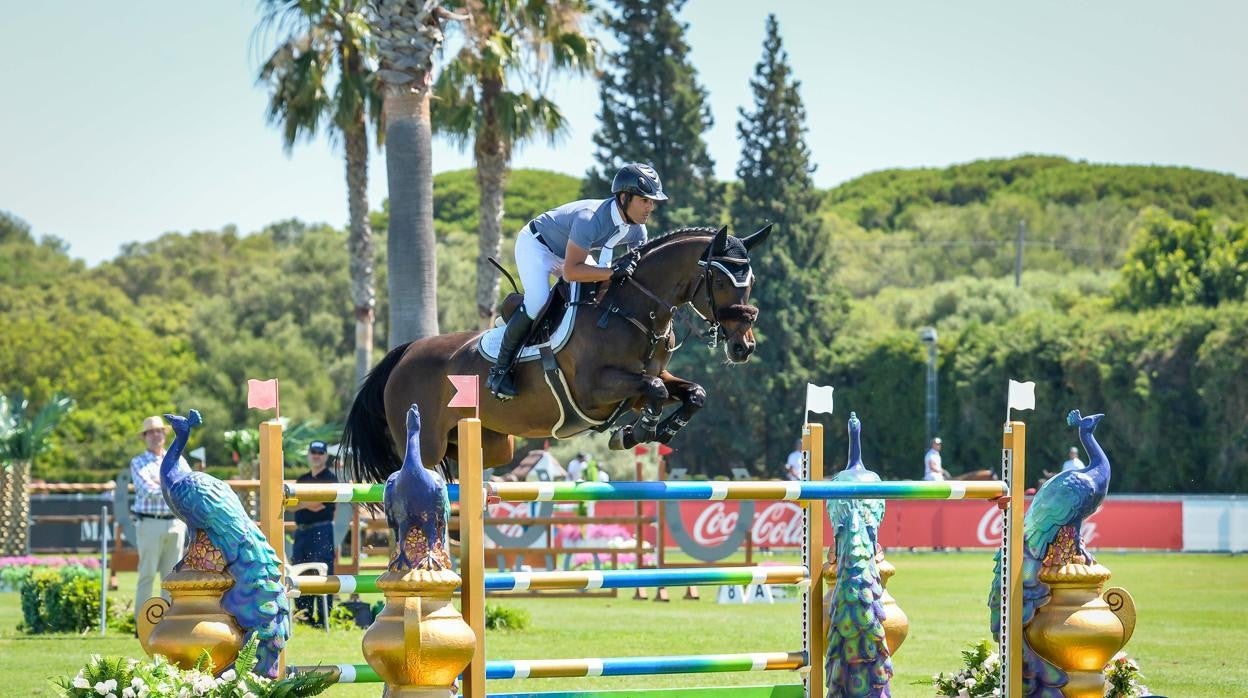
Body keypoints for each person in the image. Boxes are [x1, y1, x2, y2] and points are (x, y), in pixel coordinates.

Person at [486, 163, 668, 400]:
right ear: (624, 197)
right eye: (645, 200)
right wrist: (612, 272)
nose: (650, 206)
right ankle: (499, 371)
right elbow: (572, 272)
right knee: (538, 301)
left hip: (572, 252)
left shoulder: (638, 231)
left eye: (652, 201)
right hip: (538, 245)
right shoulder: (590, 219)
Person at [130, 415, 188, 625]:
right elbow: (146, 490)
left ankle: (170, 624)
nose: (156, 435)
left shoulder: (179, 459)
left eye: (159, 431)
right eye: (151, 432)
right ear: (145, 437)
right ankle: (142, 625)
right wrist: (169, 484)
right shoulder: (138, 462)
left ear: (165, 434)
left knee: (171, 579)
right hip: (150, 523)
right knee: (146, 576)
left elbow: (186, 485)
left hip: (175, 522)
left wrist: (160, 482)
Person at [292, 440, 337, 625]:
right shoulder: (302, 480)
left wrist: (300, 503)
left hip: (321, 530)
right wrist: (305, 504)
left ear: (326, 456)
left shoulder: (331, 478)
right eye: (314, 451)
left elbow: (319, 505)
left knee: (322, 571)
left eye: (320, 452)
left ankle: (323, 617)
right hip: (301, 533)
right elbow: (290, 505)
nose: (317, 455)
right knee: (300, 571)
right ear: (309, 455)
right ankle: (304, 615)